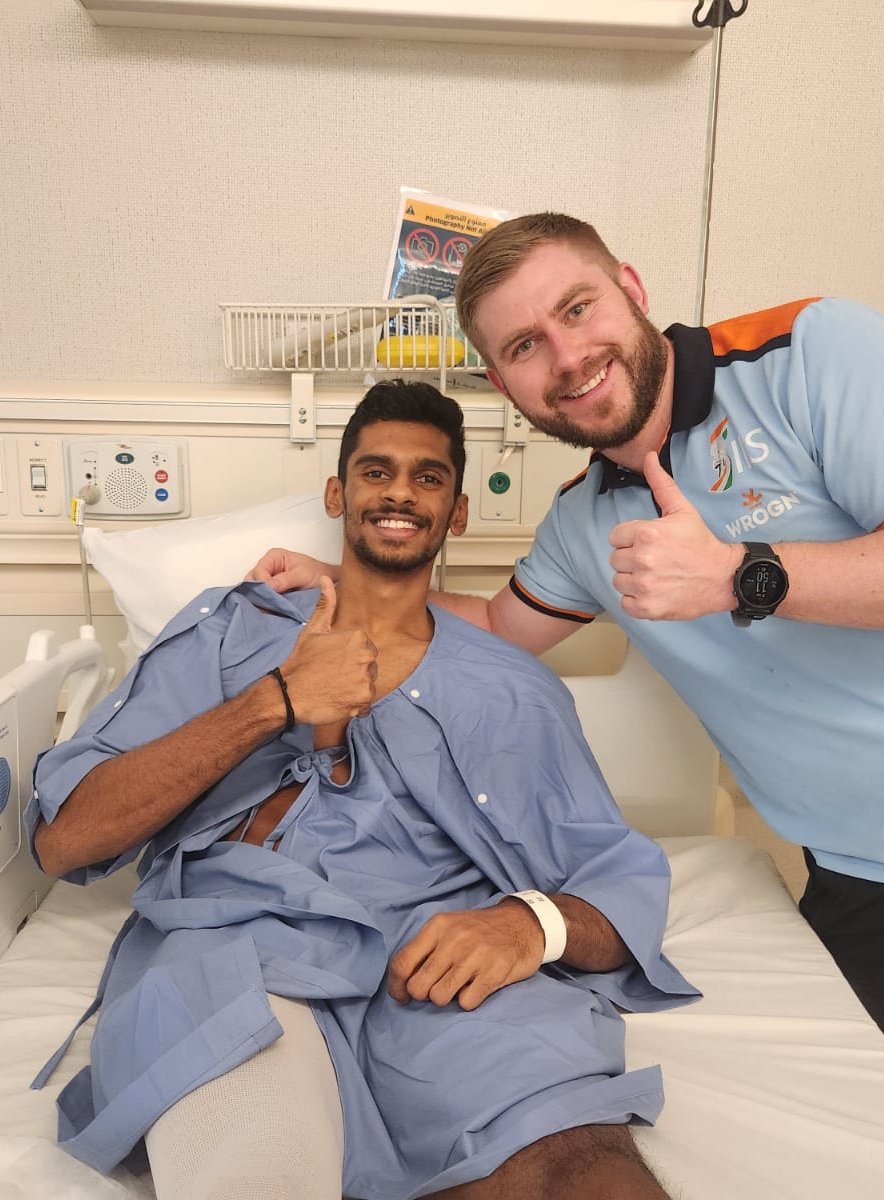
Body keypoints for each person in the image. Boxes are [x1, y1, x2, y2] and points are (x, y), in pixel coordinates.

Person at [251, 213, 884, 1200]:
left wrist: (741, 573)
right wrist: (357, 577)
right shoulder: (586, 525)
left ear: (632, 287)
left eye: (577, 309)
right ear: (504, 383)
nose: (568, 357)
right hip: (883, 885)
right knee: (869, 1176)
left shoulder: (811, 355)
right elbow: (493, 623)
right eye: (525, 346)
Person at [26, 380, 698, 1200]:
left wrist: (530, 925)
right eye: (377, 472)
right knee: (254, 1174)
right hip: (244, 947)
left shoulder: (509, 687)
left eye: (428, 478)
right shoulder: (236, 629)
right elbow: (65, 839)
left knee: (581, 1173)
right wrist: (275, 700)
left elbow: (614, 878)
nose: (400, 494)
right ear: (339, 494)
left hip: (438, 966)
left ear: (455, 513)